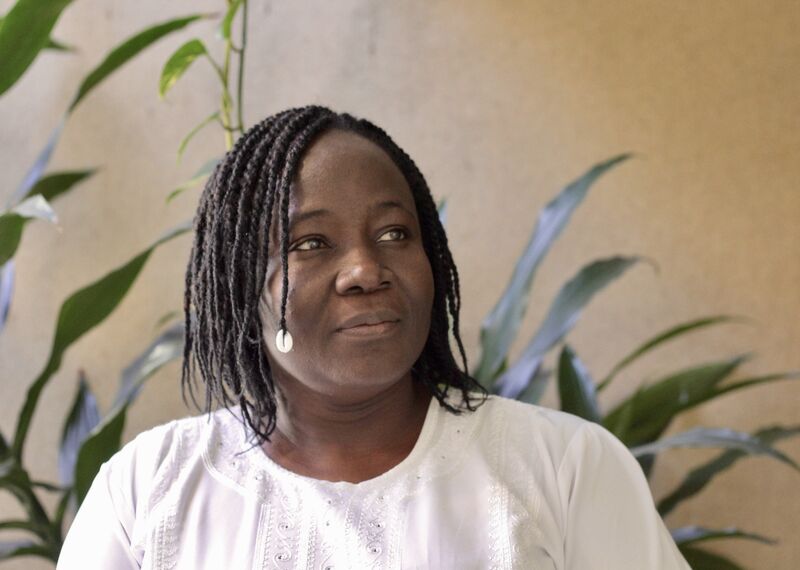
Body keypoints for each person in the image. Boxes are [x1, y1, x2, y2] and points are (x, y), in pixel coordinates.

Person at [58, 105, 690, 569]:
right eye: (311, 243)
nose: (366, 269)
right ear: (239, 286)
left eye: (394, 234)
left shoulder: (564, 469)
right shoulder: (148, 491)